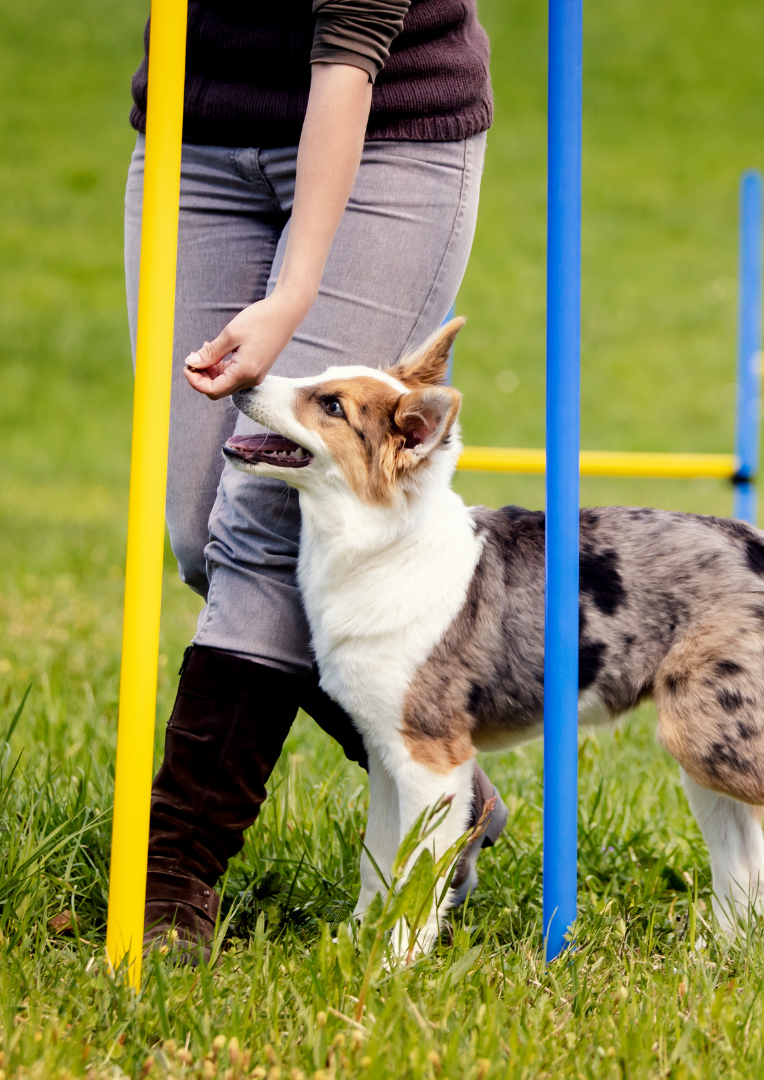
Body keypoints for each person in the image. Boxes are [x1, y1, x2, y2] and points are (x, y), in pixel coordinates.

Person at [124, 0, 507, 963]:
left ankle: (172, 881)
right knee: (200, 533)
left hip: (387, 133)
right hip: (195, 130)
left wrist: (292, 294)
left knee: (260, 523)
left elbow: (348, 49)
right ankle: (439, 774)